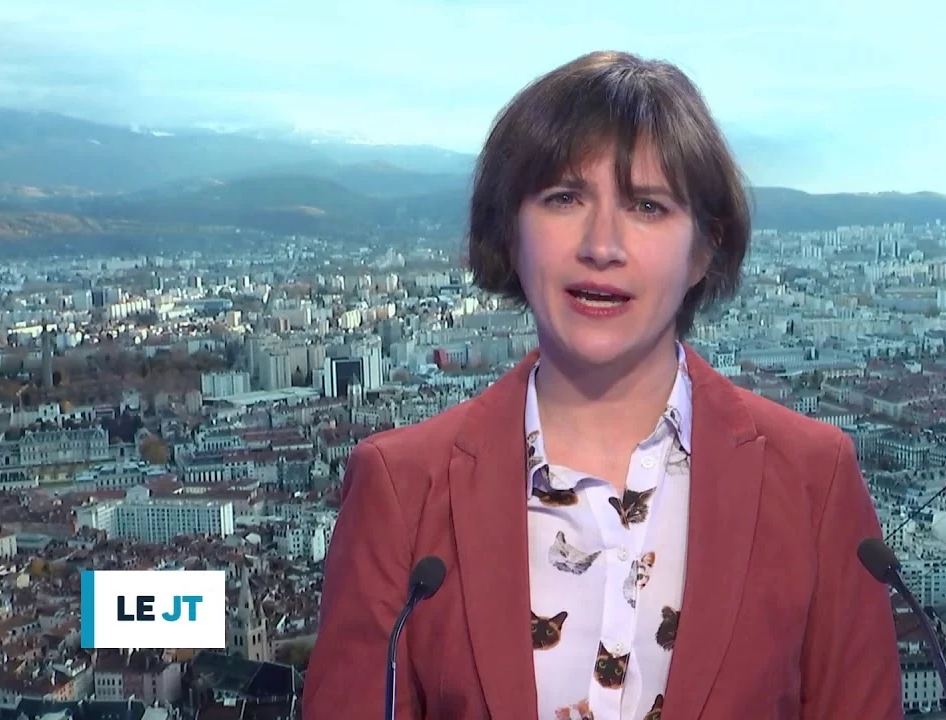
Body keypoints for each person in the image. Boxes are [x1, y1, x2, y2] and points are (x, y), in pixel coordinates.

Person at [304, 50, 903, 720]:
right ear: (509, 230)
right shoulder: (402, 489)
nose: (602, 244)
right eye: (564, 199)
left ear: (704, 249)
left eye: (647, 206)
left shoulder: (813, 481)